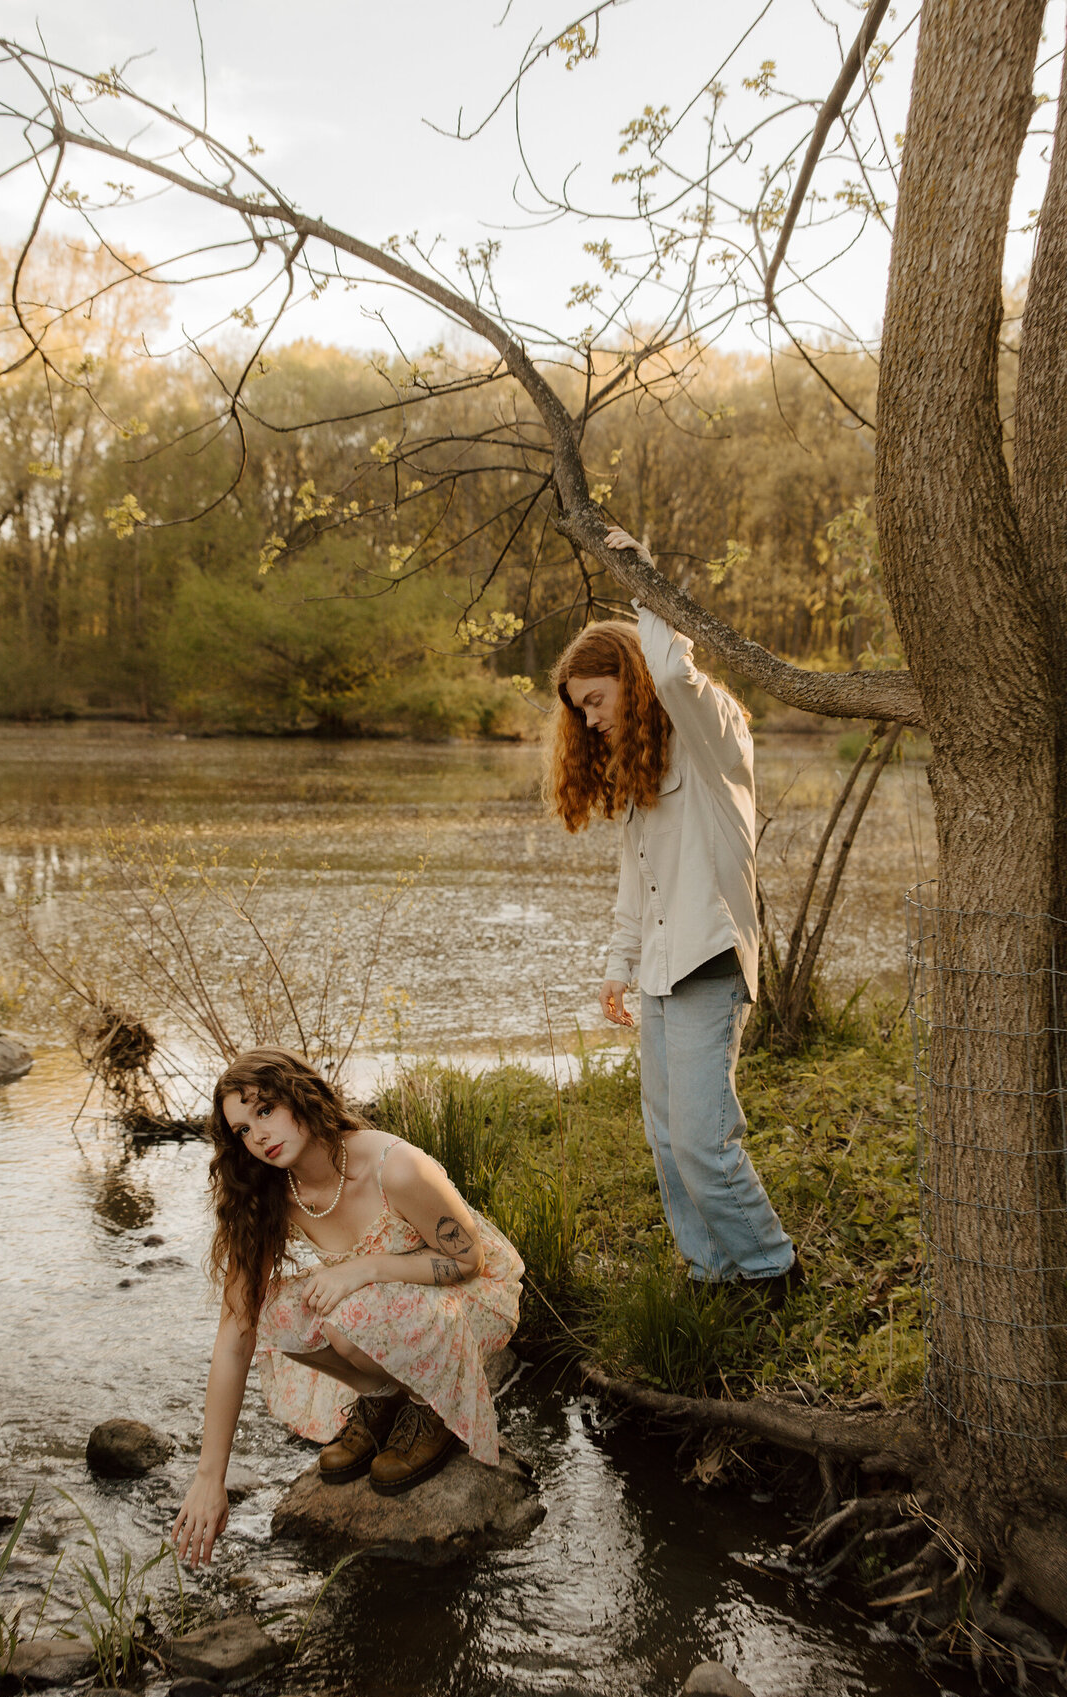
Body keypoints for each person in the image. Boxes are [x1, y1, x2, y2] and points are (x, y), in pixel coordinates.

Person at [545, 526, 801, 1301]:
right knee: (665, 1142)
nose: (589, 721)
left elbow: (670, 667)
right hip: (658, 973)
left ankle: (770, 1270)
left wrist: (640, 576)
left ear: (628, 676)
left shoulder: (713, 737)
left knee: (701, 1139)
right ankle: (709, 1271)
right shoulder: (641, 773)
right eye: (580, 710)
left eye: (596, 699)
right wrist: (617, 968)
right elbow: (639, 884)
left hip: (710, 964)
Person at [171, 1047, 523, 1567]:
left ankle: (430, 1409)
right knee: (275, 1313)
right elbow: (236, 1332)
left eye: (265, 1110)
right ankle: (384, 1397)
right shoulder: (270, 1188)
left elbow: (469, 1261)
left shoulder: (394, 1167)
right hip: (381, 1305)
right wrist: (208, 1477)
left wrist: (364, 1268)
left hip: (472, 1295)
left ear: (300, 1096)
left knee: (347, 1319)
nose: (259, 1136)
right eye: (243, 1129)